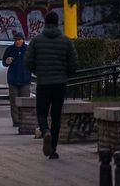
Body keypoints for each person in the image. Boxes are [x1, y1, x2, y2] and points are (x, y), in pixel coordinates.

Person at [25, 12, 78, 159]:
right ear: (57, 23)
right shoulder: (66, 41)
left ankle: (45, 130)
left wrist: (38, 71)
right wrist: (65, 74)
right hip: (60, 84)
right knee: (56, 116)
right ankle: (53, 150)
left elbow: (28, 61)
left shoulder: (36, 41)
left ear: (45, 22)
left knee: (41, 113)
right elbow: (74, 62)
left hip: (43, 83)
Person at [3, 32, 32, 128]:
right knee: (14, 102)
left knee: (25, 102)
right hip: (13, 79)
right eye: (16, 40)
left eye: (19, 39)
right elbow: (4, 62)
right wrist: (7, 61)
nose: (17, 41)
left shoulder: (27, 49)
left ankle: (25, 119)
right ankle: (16, 121)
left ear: (23, 40)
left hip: (25, 79)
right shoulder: (10, 49)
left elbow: (33, 61)